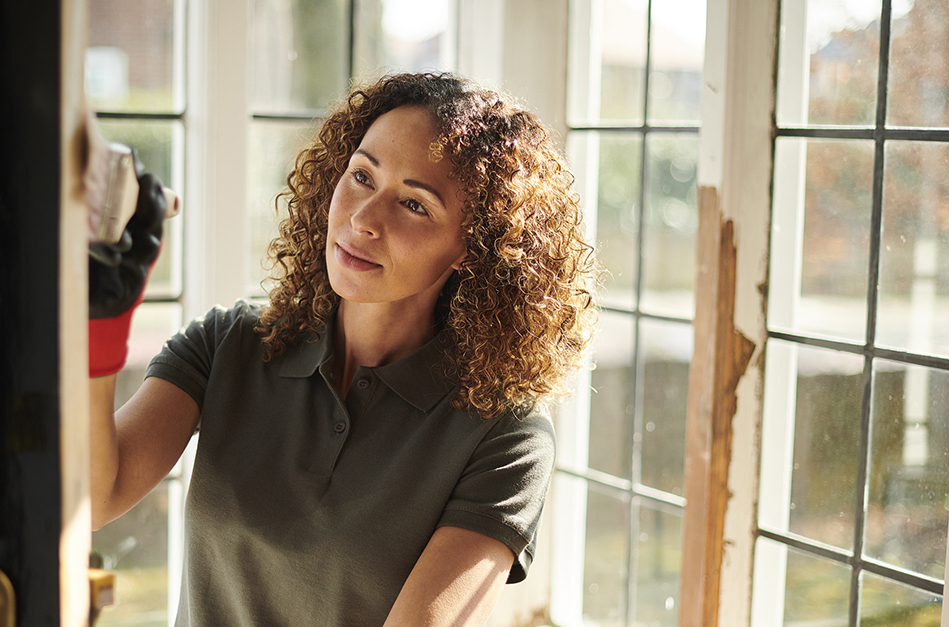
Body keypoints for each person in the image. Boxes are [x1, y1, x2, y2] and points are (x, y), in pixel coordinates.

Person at [86, 72, 597, 627]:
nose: (362, 219)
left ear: (473, 249)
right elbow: (93, 496)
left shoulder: (505, 436)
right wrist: (101, 321)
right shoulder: (228, 344)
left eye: (414, 205)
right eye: (361, 176)